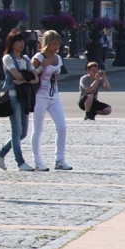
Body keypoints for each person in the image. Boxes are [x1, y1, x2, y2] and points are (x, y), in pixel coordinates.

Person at [0, 29, 39, 171]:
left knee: (23, 132)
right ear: (12, 43)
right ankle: (20, 162)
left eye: (22, 41)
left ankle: (1, 153)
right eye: (18, 41)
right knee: (16, 130)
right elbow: (16, 75)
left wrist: (25, 79)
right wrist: (27, 78)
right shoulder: (7, 58)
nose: (22, 43)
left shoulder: (25, 59)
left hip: (25, 97)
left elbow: (36, 78)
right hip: (12, 95)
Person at [31, 30, 72, 171]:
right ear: (47, 43)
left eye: (58, 44)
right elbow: (29, 74)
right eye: (54, 44)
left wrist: (56, 92)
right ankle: (37, 160)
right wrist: (43, 65)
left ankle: (60, 159)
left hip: (54, 96)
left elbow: (56, 77)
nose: (56, 47)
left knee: (62, 127)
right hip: (39, 96)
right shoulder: (39, 57)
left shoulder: (58, 58)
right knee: (38, 129)